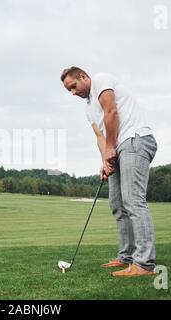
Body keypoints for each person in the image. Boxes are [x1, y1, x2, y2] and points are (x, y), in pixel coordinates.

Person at [61, 67, 158, 276]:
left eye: (74, 86)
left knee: (133, 201)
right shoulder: (88, 109)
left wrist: (111, 148)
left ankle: (144, 264)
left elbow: (111, 112)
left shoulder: (101, 80)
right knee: (117, 204)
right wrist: (105, 161)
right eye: (69, 90)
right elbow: (100, 137)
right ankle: (126, 258)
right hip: (117, 146)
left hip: (135, 140)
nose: (73, 93)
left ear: (83, 77)